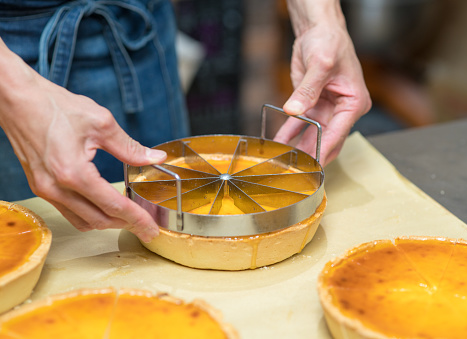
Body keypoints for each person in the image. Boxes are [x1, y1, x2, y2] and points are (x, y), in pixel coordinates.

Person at [0, 0, 371, 243]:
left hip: (139, 23)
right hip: (15, 57)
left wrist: (319, 20)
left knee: (175, 222)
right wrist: (13, 93)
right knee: (40, 245)